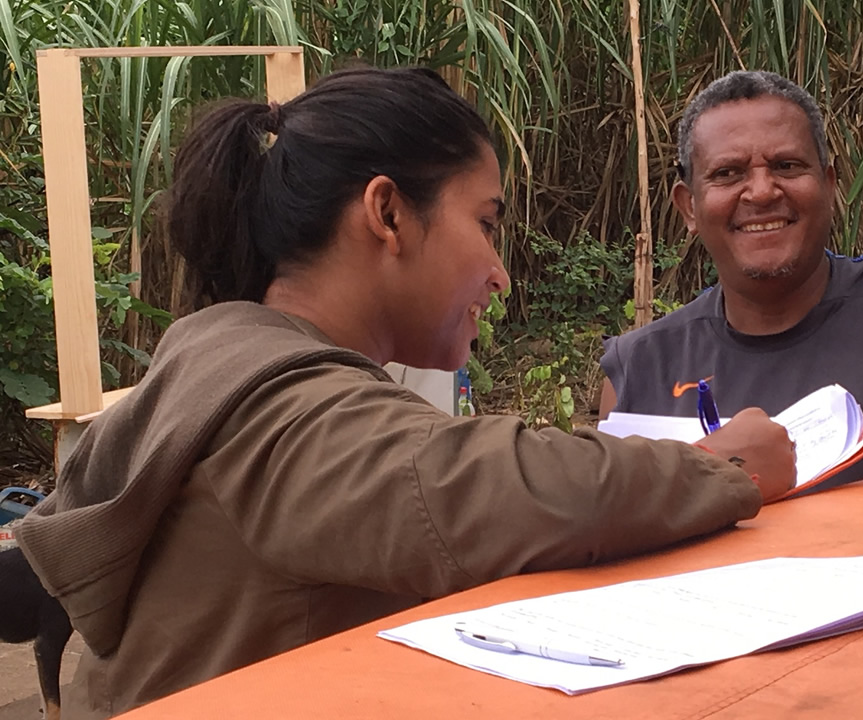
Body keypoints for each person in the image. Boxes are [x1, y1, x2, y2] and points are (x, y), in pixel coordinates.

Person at [16, 67, 797, 718]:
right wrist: (721, 466)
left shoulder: (219, 358)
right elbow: (492, 491)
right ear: (387, 213)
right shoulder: (283, 409)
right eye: (485, 223)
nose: (500, 273)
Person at [600, 70, 863, 491]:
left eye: (786, 166)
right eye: (728, 173)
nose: (761, 192)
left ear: (829, 187)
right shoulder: (638, 372)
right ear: (689, 206)